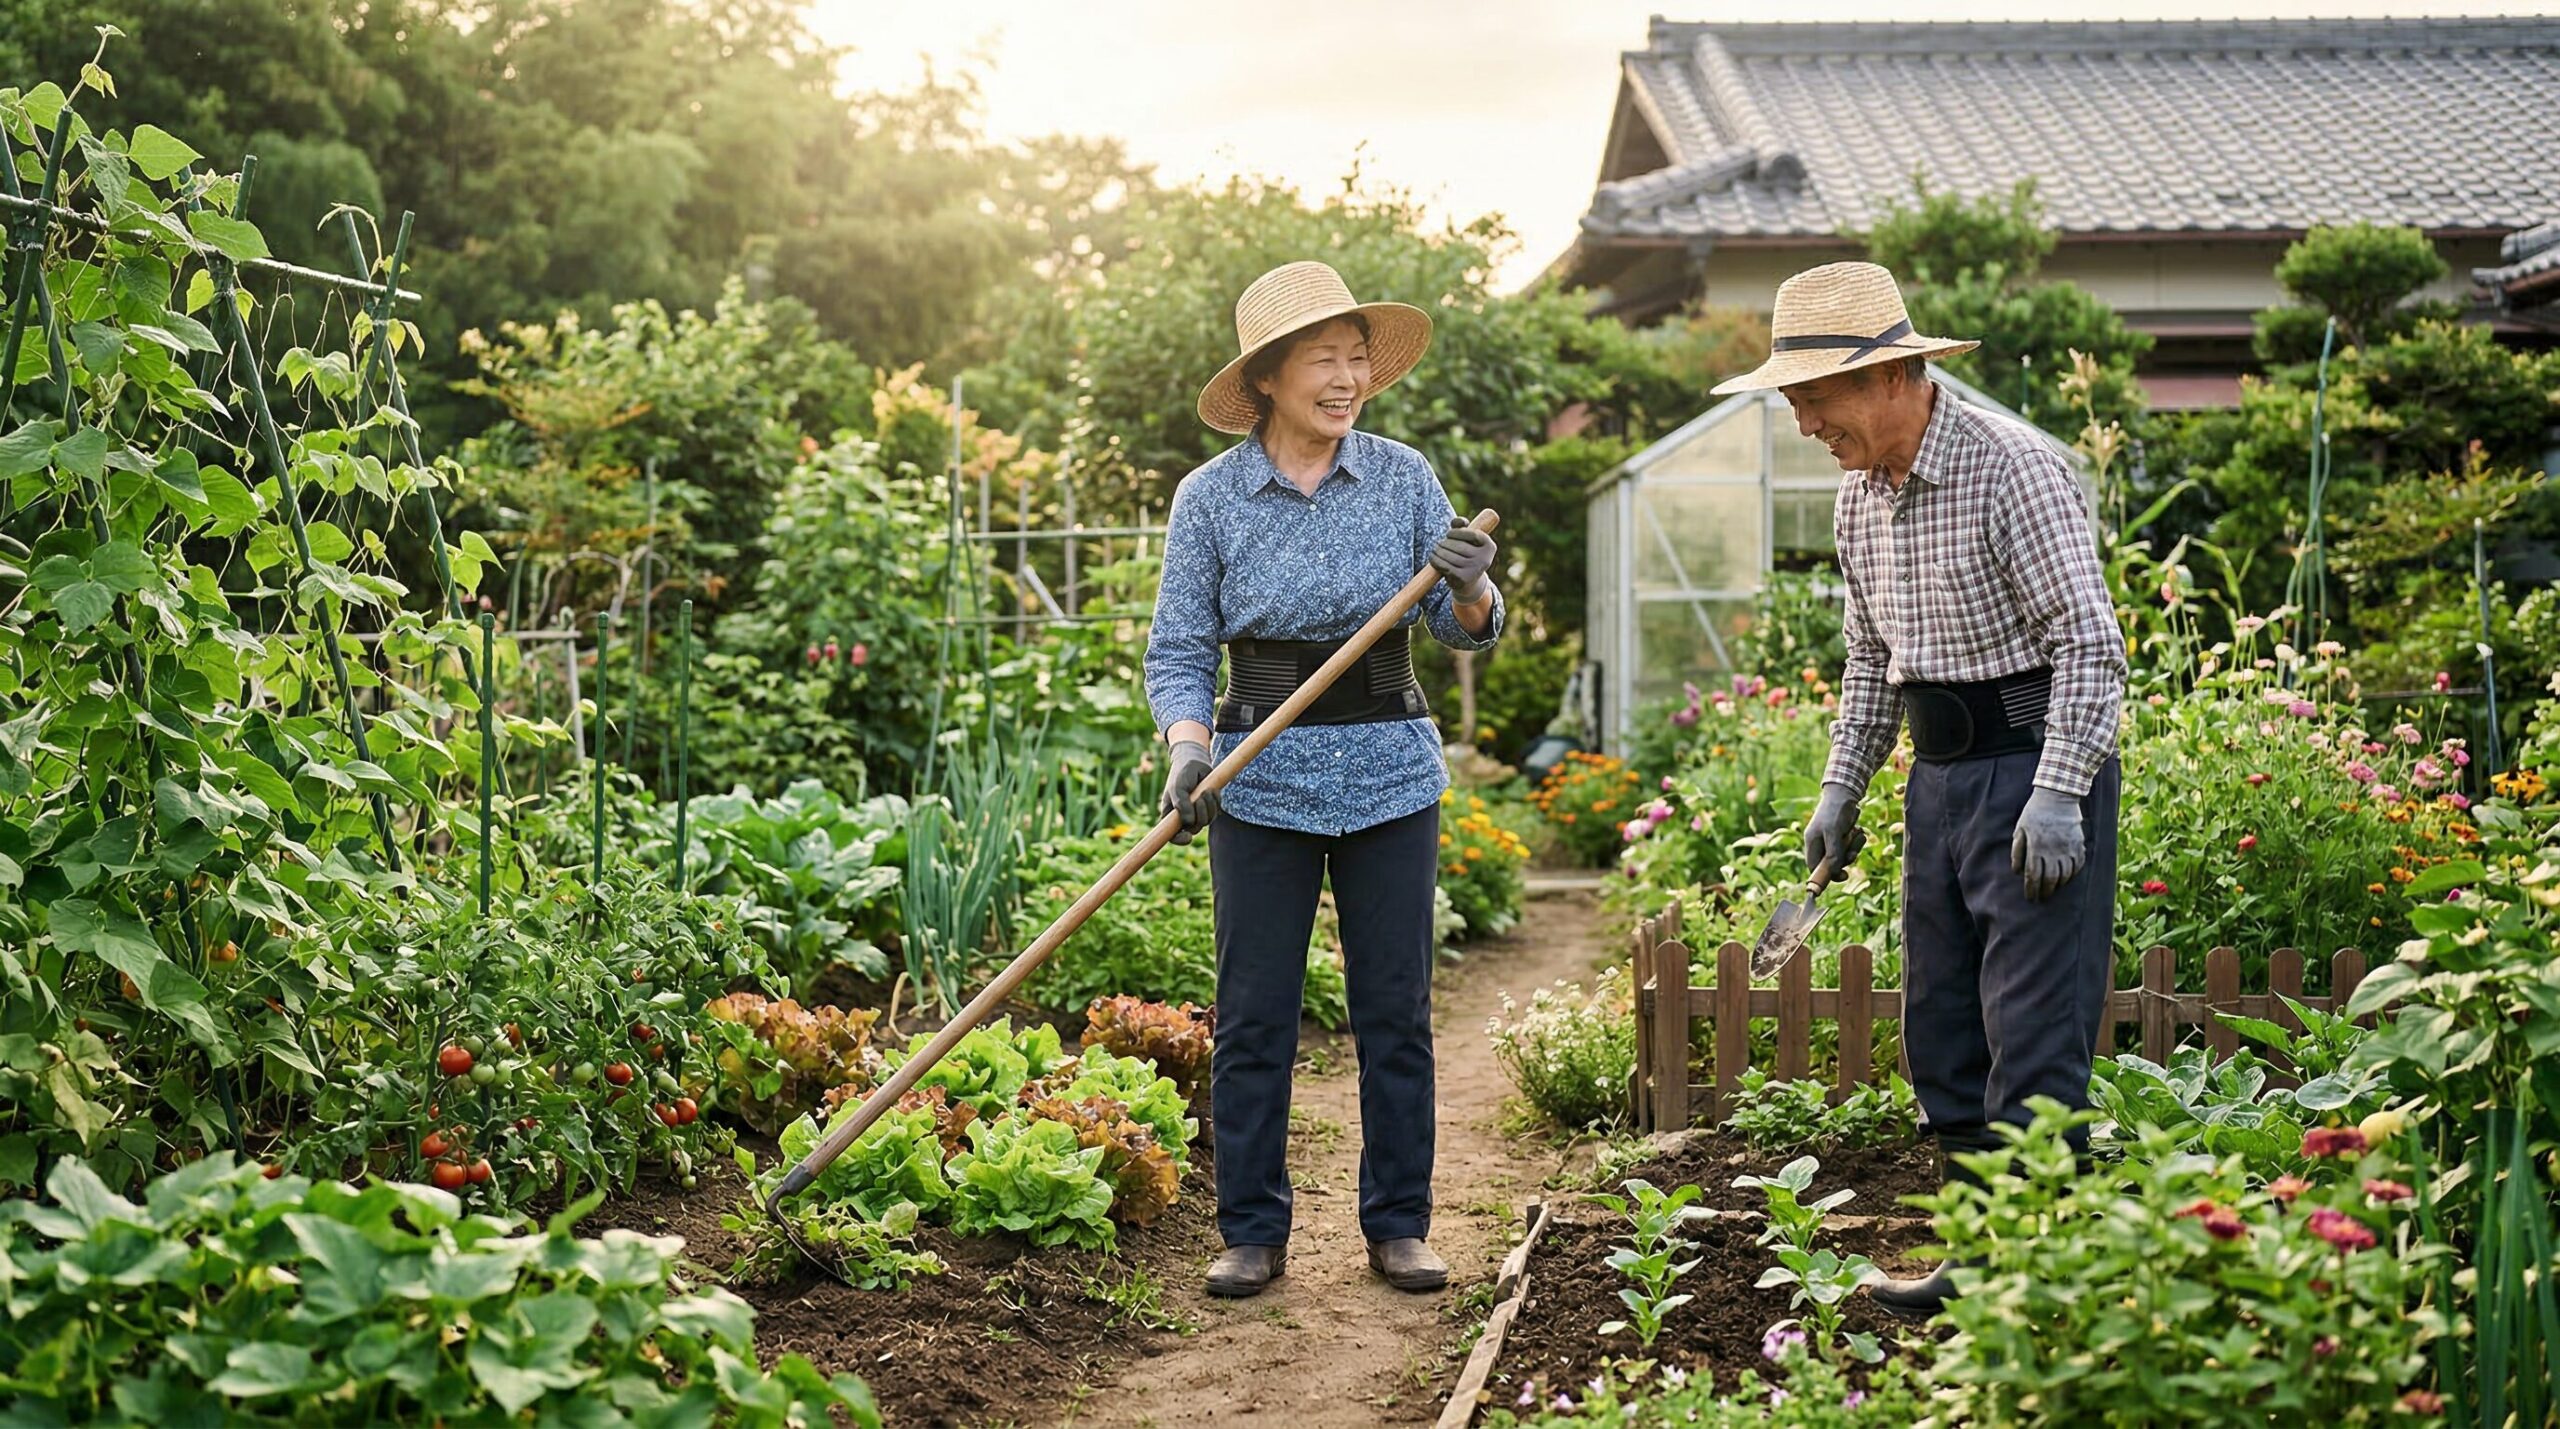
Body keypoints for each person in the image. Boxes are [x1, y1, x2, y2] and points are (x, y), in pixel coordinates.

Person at [1710, 261, 2127, 1318]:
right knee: (1942, 1030)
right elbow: (1868, 662)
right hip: (1937, 783)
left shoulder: (2010, 470)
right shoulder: (1859, 497)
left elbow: (2088, 643)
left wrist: (2060, 789)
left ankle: (2041, 1287)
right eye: (1793, 401)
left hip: (2033, 777)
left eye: (1812, 398)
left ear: (1891, 375)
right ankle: (1982, 1260)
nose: (1802, 422)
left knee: (2030, 1040)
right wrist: (1841, 790)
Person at [1145, 260, 1503, 1299]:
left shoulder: (1400, 477)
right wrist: (1185, 746)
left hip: (1390, 770)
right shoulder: (1209, 498)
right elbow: (1179, 650)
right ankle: (1250, 1231)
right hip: (1255, 776)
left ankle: (1399, 1225)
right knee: (1254, 1014)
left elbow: (1459, 629)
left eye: (1357, 360)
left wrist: (1473, 586)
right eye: (1324, 361)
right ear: (1266, 377)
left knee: (1393, 1010)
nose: (1347, 380)